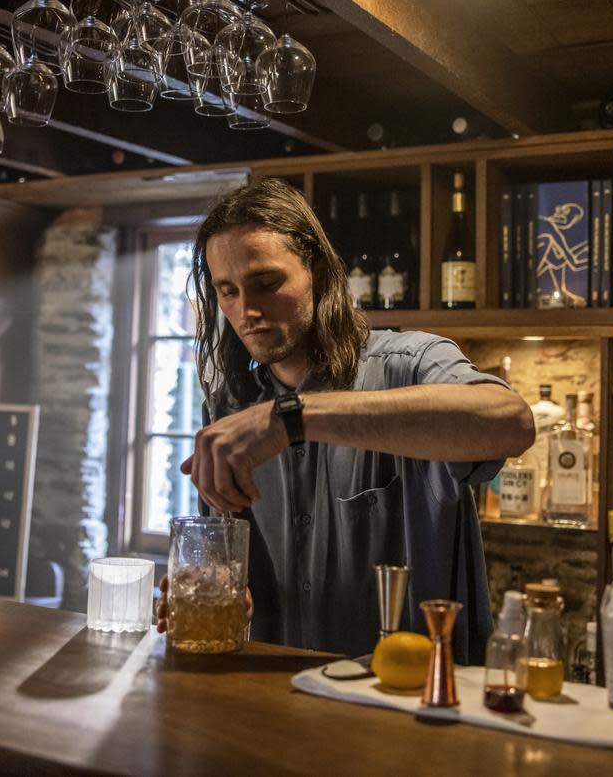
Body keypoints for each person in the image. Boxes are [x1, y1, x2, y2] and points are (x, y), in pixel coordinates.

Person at [156, 179, 536, 663]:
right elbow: (233, 567)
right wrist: (226, 592)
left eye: (267, 283)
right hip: (276, 705)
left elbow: (512, 423)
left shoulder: (409, 362)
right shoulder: (232, 407)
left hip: (407, 705)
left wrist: (294, 417)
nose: (246, 311)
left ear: (316, 269)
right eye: (227, 291)